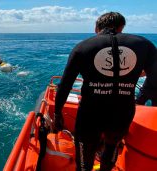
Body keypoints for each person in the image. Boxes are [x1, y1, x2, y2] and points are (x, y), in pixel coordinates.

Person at [54, 12, 157, 171]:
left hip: (90, 114)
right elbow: (155, 80)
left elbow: (65, 84)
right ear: (121, 27)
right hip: (123, 113)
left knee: (84, 160)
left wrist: (57, 113)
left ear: (97, 27)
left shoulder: (83, 46)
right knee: (111, 148)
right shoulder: (144, 45)